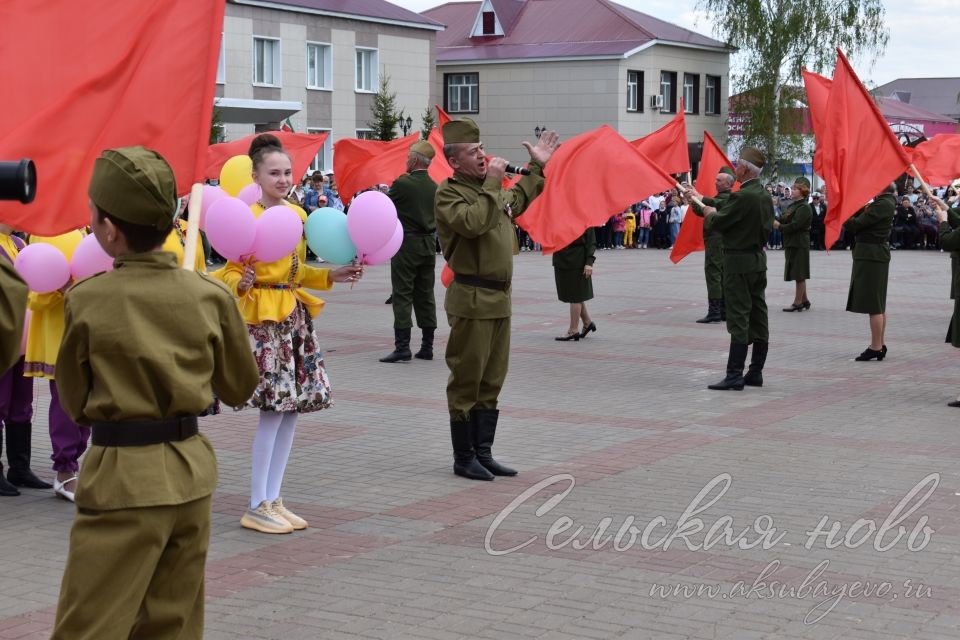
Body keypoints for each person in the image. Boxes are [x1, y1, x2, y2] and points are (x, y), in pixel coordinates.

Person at [50, 146, 260, 640]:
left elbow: (74, 401)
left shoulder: (87, 300)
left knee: (91, 624)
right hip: (190, 471)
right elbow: (240, 385)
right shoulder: (209, 295)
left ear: (109, 230)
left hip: (123, 477)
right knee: (174, 623)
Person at [214, 134, 363, 534]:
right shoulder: (246, 214)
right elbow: (227, 271)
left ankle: (274, 497)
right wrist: (241, 281)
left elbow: (296, 272)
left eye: (287, 172)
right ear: (256, 176)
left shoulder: (296, 214)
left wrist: (332, 274)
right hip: (264, 324)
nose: (283, 179)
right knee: (272, 411)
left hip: (293, 319)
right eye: (274, 173)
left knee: (291, 411)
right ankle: (256, 503)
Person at [436, 117, 559, 480]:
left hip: (499, 298)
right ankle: (464, 458)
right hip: (470, 298)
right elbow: (473, 223)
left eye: (482, 149)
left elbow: (518, 197)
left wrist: (538, 164)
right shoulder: (449, 193)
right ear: (455, 161)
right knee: (467, 379)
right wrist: (492, 181)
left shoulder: (490, 189)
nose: (483, 156)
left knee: (492, 379)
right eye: (473, 152)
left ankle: (483, 452)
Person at [684, 147, 774, 390]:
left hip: (738, 262)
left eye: (738, 164)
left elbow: (719, 222)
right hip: (757, 260)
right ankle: (755, 371)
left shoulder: (743, 196)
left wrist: (709, 211)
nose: (735, 168)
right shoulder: (764, 195)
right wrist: (701, 199)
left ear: (744, 169)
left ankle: (734, 374)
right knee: (758, 313)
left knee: (738, 316)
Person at [23, 232, 89, 501]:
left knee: (86, 405)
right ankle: (64, 471)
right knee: (65, 405)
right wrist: (61, 288)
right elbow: (32, 295)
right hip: (60, 338)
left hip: (89, 335)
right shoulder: (43, 235)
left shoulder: (88, 231)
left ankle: (74, 463)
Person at [380, 141, 439, 363]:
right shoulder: (435, 186)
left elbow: (384, 208)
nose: (406, 161)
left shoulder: (403, 184)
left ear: (414, 160)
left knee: (402, 293)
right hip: (428, 245)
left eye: (407, 158)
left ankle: (402, 347)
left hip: (406, 245)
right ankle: (427, 346)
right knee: (425, 294)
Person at [0, 226, 48, 496]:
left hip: (24, 338)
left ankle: (20, 468)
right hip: (4, 336)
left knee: (22, 403)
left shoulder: (19, 242)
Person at [843, 183, 897, 361]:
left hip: (872, 255)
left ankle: (875, 347)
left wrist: (841, 216)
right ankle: (879, 344)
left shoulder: (883, 204)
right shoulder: (884, 202)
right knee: (878, 303)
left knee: (874, 305)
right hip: (873, 254)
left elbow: (858, 224)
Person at [691, 166, 735, 323]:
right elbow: (703, 210)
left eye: (719, 180)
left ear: (728, 184)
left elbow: (715, 204)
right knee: (720, 274)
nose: (715, 182)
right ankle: (723, 310)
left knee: (713, 274)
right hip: (718, 241)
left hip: (717, 240)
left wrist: (699, 197)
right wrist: (692, 198)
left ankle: (715, 311)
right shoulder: (720, 197)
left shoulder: (728, 198)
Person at [553, 228, 597, 341]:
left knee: (575, 296)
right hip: (561, 258)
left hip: (577, 260)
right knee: (575, 292)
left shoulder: (585, 217)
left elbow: (591, 242)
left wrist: (589, 263)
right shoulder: (560, 215)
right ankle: (587, 323)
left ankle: (573, 330)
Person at [776, 177, 813, 312]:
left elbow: (795, 225)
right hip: (792, 242)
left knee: (799, 273)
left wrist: (779, 227)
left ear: (803, 191)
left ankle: (798, 303)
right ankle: (804, 300)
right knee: (798, 271)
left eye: (796, 188)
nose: (793, 190)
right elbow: (783, 218)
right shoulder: (793, 205)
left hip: (799, 242)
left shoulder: (804, 207)